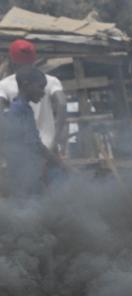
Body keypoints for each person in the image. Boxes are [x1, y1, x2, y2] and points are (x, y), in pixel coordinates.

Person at [0, 68, 62, 197]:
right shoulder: (19, 111)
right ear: (26, 84)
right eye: (40, 87)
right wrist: (60, 163)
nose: (43, 93)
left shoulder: (23, 108)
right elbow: (34, 145)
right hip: (24, 175)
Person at [0, 40, 67, 157]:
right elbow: (62, 103)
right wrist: (55, 140)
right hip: (47, 147)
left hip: (21, 152)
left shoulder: (4, 85)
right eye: (41, 89)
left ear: (12, 60)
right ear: (34, 58)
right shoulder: (50, 80)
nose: (41, 93)